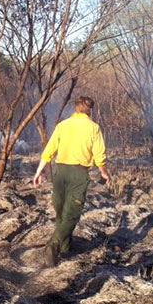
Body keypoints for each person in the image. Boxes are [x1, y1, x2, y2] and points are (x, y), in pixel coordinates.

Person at [33, 95, 110, 267]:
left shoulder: (63, 125)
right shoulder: (94, 128)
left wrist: (38, 172)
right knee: (71, 213)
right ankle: (53, 246)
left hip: (59, 172)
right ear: (90, 110)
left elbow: (48, 151)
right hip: (78, 174)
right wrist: (104, 173)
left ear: (75, 108)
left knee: (61, 210)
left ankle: (66, 247)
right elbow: (99, 156)